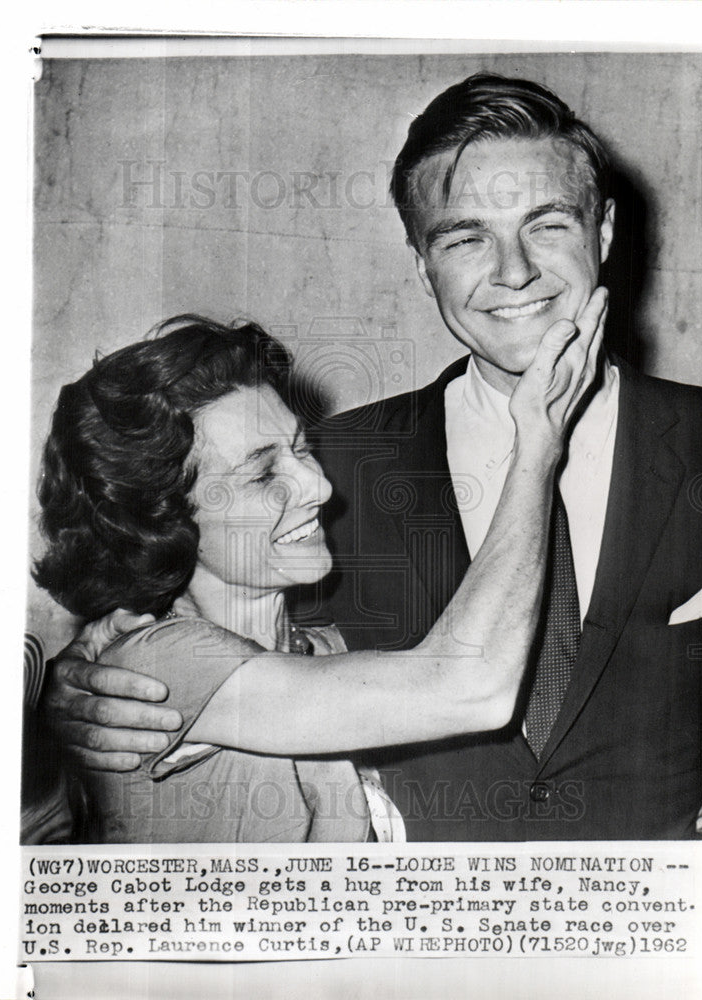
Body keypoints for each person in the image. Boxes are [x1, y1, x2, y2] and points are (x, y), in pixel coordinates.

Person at [45, 73, 702, 841]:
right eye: (464, 238)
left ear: (605, 231)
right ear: (422, 263)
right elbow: (185, 624)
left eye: (547, 225)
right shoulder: (328, 471)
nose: (514, 270)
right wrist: (72, 688)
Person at [32, 306, 603, 843]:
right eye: (262, 476)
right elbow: (470, 686)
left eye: (301, 450)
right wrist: (537, 447)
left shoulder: (319, 648)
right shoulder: (160, 663)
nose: (319, 488)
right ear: (164, 520)